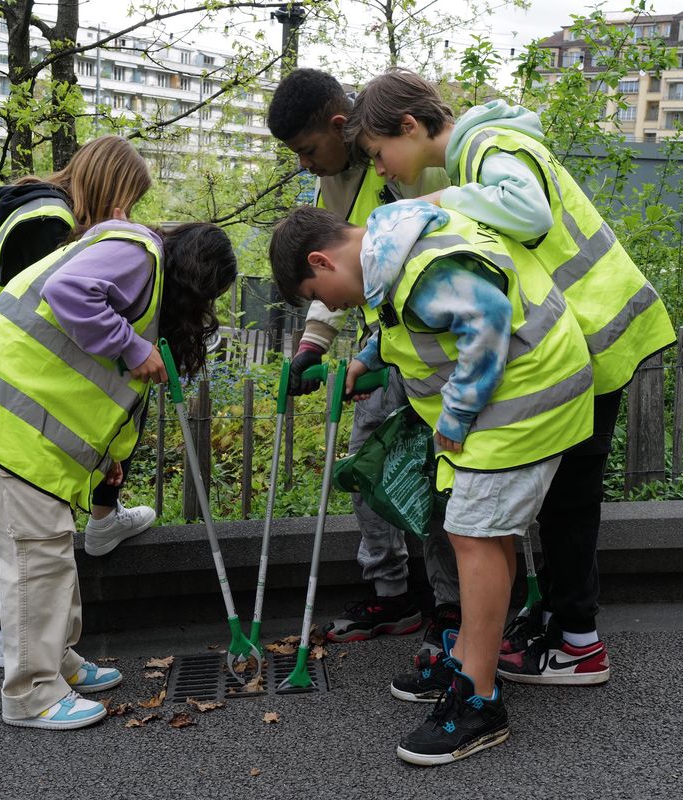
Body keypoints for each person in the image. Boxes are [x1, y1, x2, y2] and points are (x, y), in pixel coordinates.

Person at [344, 69, 676, 688]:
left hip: (598, 335)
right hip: (590, 337)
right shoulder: (481, 152)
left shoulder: (489, 145)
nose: (383, 169)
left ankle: (577, 640)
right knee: (557, 500)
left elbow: (527, 212)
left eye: (379, 152)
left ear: (410, 127)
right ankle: (551, 619)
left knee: (570, 502)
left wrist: (438, 202)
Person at [0, 137, 238, 730]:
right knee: (34, 554)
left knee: (51, 548)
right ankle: (32, 694)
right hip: (0, 415)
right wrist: (132, 344)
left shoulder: (135, 274)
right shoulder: (139, 251)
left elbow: (95, 381)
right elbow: (69, 296)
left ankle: (57, 661)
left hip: (19, 423)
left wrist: (107, 460)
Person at [269, 201, 594, 764]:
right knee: (482, 534)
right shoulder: (393, 251)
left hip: (520, 401)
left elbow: (487, 316)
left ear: (322, 261)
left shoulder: (415, 264)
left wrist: (456, 414)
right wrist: (368, 357)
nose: (332, 306)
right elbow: (415, 320)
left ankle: (480, 700)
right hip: (522, 393)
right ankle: (473, 661)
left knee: (471, 535)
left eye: (321, 294)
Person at [267, 67, 461, 651]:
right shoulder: (336, 175)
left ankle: (451, 609)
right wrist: (314, 345)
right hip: (387, 340)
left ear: (338, 125)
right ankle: (395, 594)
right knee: (367, 460)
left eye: (307, 150)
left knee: (437, 471)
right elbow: (336, 261)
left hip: (437, 338)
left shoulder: (413, 158)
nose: (305, 164)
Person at [0, 140, 158, 670]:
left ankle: (37, 649)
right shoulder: (48, 221)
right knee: (27, 536)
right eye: (127, 200)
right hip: (6, 391)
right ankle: (15, 644)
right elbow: (58, 312)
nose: (125, 215)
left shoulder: (36, 209)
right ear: (108, 184)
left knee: (24, 528)